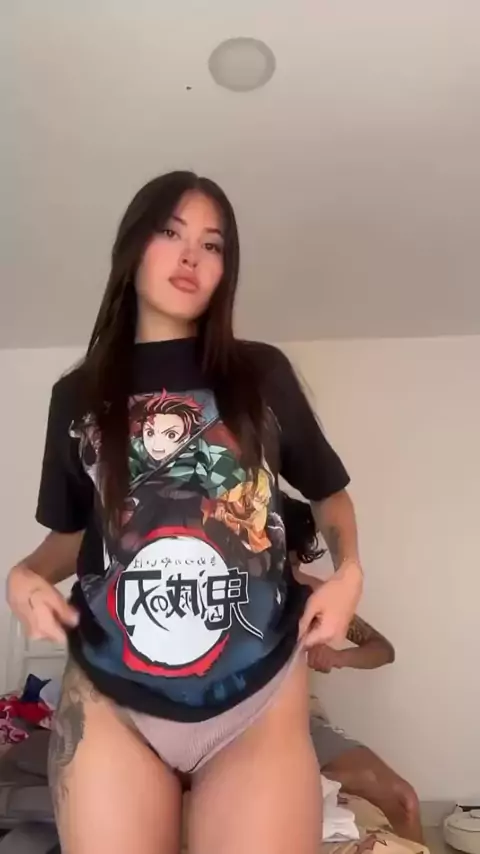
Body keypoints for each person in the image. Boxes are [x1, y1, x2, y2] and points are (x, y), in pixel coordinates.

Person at [7, 171, 363, 854]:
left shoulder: (261, 375)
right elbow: (74, 534)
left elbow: (328, 492)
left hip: (256, 697)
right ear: (133, 246)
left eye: (213, 243)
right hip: (112, 698)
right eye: (171, 232)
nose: (191, 255)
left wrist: (349, 573)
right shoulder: (77, 396)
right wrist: (22, 575)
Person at [283, 492, 424, 844]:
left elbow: (382, 650)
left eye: (293, 562)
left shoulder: (313, 593)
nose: (287, 573)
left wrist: (337, 657)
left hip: (301, 721)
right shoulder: (224, 592)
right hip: (236, 729)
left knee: (404, 800)